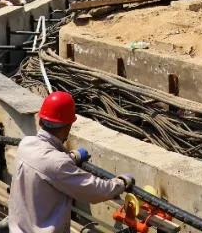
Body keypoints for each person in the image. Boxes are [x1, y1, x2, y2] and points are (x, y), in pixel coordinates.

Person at [7, 91, 133, 233]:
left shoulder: (26, 144)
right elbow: (95, 191)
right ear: (67, 127)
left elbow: (46, 164)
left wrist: (71, 157)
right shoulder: (57, 163)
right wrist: (121, 183)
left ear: (40, 121)